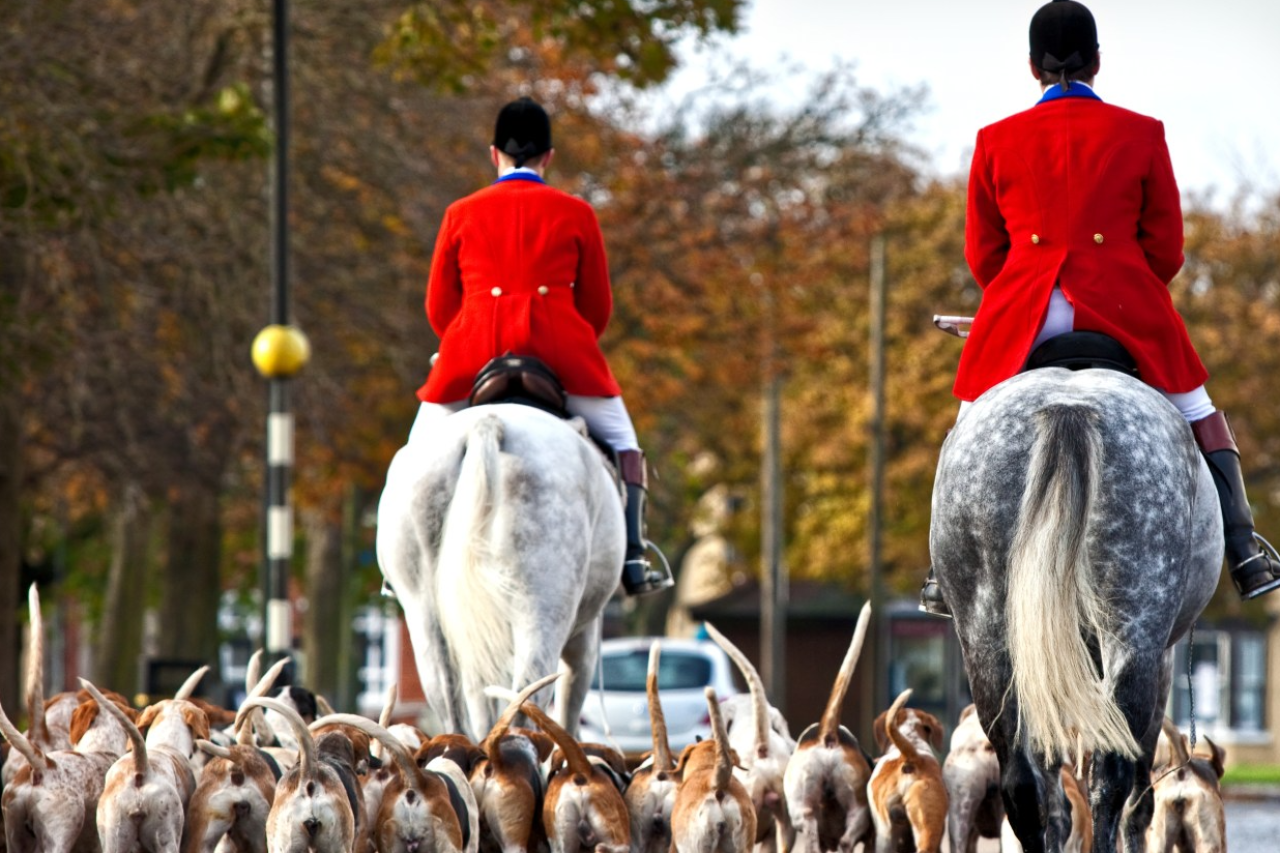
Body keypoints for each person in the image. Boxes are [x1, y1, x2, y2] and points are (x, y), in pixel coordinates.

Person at [920, 0, 1280, 616]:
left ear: (1032, 66)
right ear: (1097, 62)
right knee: (1198, 408)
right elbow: (1165, 249)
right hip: (1121, 306)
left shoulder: (994, 138)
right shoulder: (1142, 132)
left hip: (1028, 313)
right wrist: (1127, 285)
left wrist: (1017, 300)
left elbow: (984, 256)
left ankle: (939, 573)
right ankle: (1245, 551)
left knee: (967, 427)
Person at [409, 96, 673, 596]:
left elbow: (438, 306)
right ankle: (634, 557)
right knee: (624, 443)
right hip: (560, 358)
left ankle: (397, 570)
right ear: (548, 157)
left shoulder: (460, 212)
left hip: (471, 360)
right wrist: (566, 335)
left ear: (494, 154)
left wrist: (464, 338)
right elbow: (597, 308)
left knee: (415, 458)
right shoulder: (577, 213)